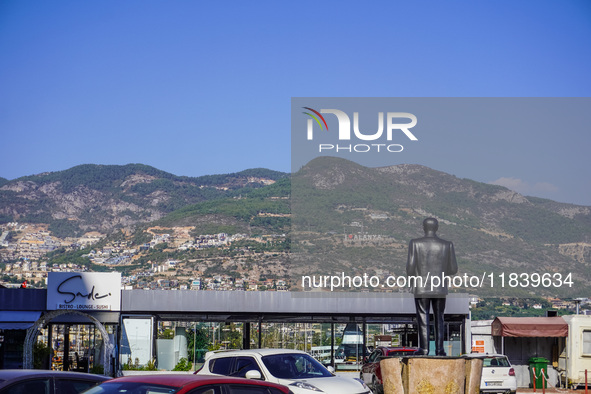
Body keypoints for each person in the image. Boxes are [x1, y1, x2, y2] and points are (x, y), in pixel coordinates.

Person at [406, 217, 457, 356]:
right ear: (437, 227)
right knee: (439, 318)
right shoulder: (447, 245)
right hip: (440, 287)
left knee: (423, 317)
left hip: (421, 287)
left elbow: (410, 268)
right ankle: (440, 350)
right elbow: (453, 269)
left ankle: (424, 349)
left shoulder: (415, 243)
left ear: (423, 227)